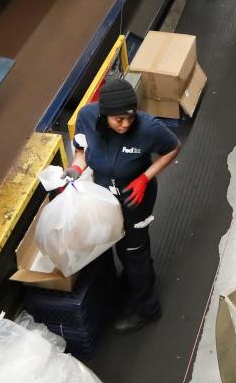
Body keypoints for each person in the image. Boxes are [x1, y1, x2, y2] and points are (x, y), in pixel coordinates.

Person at [69, 78, 180, 334]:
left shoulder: (148, 128)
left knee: (133, 250)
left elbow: (173, 148)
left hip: (134, 199)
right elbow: (80, 149)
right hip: (105, 196)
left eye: (129, 117)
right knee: (117, 244)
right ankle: (141, 278)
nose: (125, 124)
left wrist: (145, 177)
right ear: (104, 114)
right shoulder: (87, 117)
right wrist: (76, 167)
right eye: (118, 119)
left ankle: (148, 309)